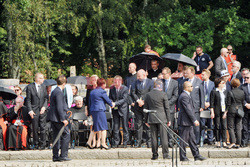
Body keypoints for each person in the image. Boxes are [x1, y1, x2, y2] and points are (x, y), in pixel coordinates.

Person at [177, 81, 206, 161]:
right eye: (191, 86)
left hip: (187, 122)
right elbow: (188, 109)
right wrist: (194, 120)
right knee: (183, 140)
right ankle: (183, 157)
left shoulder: (186, 95)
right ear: (187, 87)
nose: (192, 87)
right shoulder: (184, 96)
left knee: (192, 140)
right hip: (185, 121)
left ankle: (196, 155)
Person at [144, 79, 171, 160]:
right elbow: (167, 108)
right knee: (164, 137)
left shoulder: (148, 95)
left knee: (153, 137)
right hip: (162, 117)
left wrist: (146, 120)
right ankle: (165, 154)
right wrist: (168, 119)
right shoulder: (163, 94)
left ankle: (155, 154)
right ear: (159, 86)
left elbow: (146, 108)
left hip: (152, 117)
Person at [47, 75, 71, 162]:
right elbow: (59, 107)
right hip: (58, 118)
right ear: (64, 83)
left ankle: (56, 156)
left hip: (54, 117)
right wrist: (63, 119)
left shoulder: (54, 91)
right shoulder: (59, 92)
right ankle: (63, 155)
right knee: (66, 134)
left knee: (56, 136)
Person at [89, 78, 115, 150]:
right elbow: (107, 100)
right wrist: (112, 104)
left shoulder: (92, 92)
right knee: (104, 127)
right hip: (100, 110)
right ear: (103, 84)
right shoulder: (102, 92)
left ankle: (88, 142)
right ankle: (103, 143)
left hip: (93, 110)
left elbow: (90, 102)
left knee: (95, 127)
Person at [131, 69, 154, 147]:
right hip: (138, 107)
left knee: (147, 124)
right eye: (137, 76)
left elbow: (151, 93)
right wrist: (138, 101)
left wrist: (143, 101)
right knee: (138, 124)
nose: (137, 77)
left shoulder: (150, 82)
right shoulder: (135, 82)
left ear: (144, 75)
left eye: (139, 76)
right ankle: (138, 142)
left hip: (147, 106)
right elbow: (133, 93)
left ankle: (149, 142)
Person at [25, 73, 48, 150]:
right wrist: (30, 111)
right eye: (41, 78)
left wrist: (44, 107)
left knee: (43, 127)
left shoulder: (44, 87)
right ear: (37, 79)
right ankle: (36, 143)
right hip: (34, 110)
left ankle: (43, 144)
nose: (43, 79)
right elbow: (28, 100)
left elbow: (46, 98)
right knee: (34, 128)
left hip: (42, 110)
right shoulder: (30, 87)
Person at [186, 67, 205, 145]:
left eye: (188, 73)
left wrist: (202, 106)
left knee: (196, 126)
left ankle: (196, 142)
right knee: (188, 125)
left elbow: (202, 95)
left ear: (192, 73)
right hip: (187, 106)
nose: (186, 74)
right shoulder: (185, 82)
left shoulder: (199, 82)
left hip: (196, 107)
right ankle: (188, 141)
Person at [109, 75, 129, 148]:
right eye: (114, 82)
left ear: (120, 81)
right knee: (116, 126)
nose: (115, 83)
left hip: (123, 109)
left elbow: (124, 99)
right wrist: (111, 103)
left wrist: (115, 103)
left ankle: (125, 142)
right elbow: (110, 97)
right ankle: (116, 142)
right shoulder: (112, 89)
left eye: (116, 82)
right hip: (115, 110)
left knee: (125, 126)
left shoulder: (125, 89)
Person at [224, 78, 245, 149]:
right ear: (239, 84)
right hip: (239, 110)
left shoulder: (230, 92)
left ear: (232, 84)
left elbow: (228, 103)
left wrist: (225, 112)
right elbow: (242, 102)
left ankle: (232, 142)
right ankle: (238, 143)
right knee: (238, 127)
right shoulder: (242, 92)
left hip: (232, 110)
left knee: (231, 127)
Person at [161, 67, 178, 147]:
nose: (162, 75)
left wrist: (168, 103)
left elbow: (175, 96)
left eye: (164, 74)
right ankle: (163, 142)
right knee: (162, 125)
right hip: (161, 107)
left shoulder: (175, 83)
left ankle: (170, 141)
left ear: (168, 74)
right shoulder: (161, 82)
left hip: (170, 107)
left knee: (170, 125)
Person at [210, 78, 228, 148]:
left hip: (224, 111)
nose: (224, 84)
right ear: (219, 84)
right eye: (222, 83)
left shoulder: (225, 91)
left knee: (224, 126)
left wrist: (226, 112)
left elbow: (227, 102)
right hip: (216, 111)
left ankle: (224, 141)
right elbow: (212, 103)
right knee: (217, 126)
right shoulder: (214, 91)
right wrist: (212, 112)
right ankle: (217, 141)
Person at [200, 69, 215, 146]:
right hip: (203, 107)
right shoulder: (200, 84)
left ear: (208, 75)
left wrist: (210, 103)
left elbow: (213, 95)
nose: (202, 76)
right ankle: (202, 139)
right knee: (202, 124)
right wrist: (203, 104)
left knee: (210, 124)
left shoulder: (212, 84)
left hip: (210, 106)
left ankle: (210, 139)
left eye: (203, 74)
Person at [85, 75, 99, 148]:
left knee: (98, 126)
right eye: (91, 80)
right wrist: (86, 109)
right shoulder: (89, 89)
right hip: (91, 109)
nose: (92, 81)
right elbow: (87, 101)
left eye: (94, 80)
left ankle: (98, 141)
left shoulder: (99, 89)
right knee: (91, 125)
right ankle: (93, 142)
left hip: (98, 110)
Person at [240, 72, 250, 147]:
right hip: (245, 108)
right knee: (245, 125)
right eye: (245, 78)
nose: (245, 79)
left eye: (247, 78)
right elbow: (240, 97)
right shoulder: (242, 86)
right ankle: (245, 141)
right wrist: (246, 104)